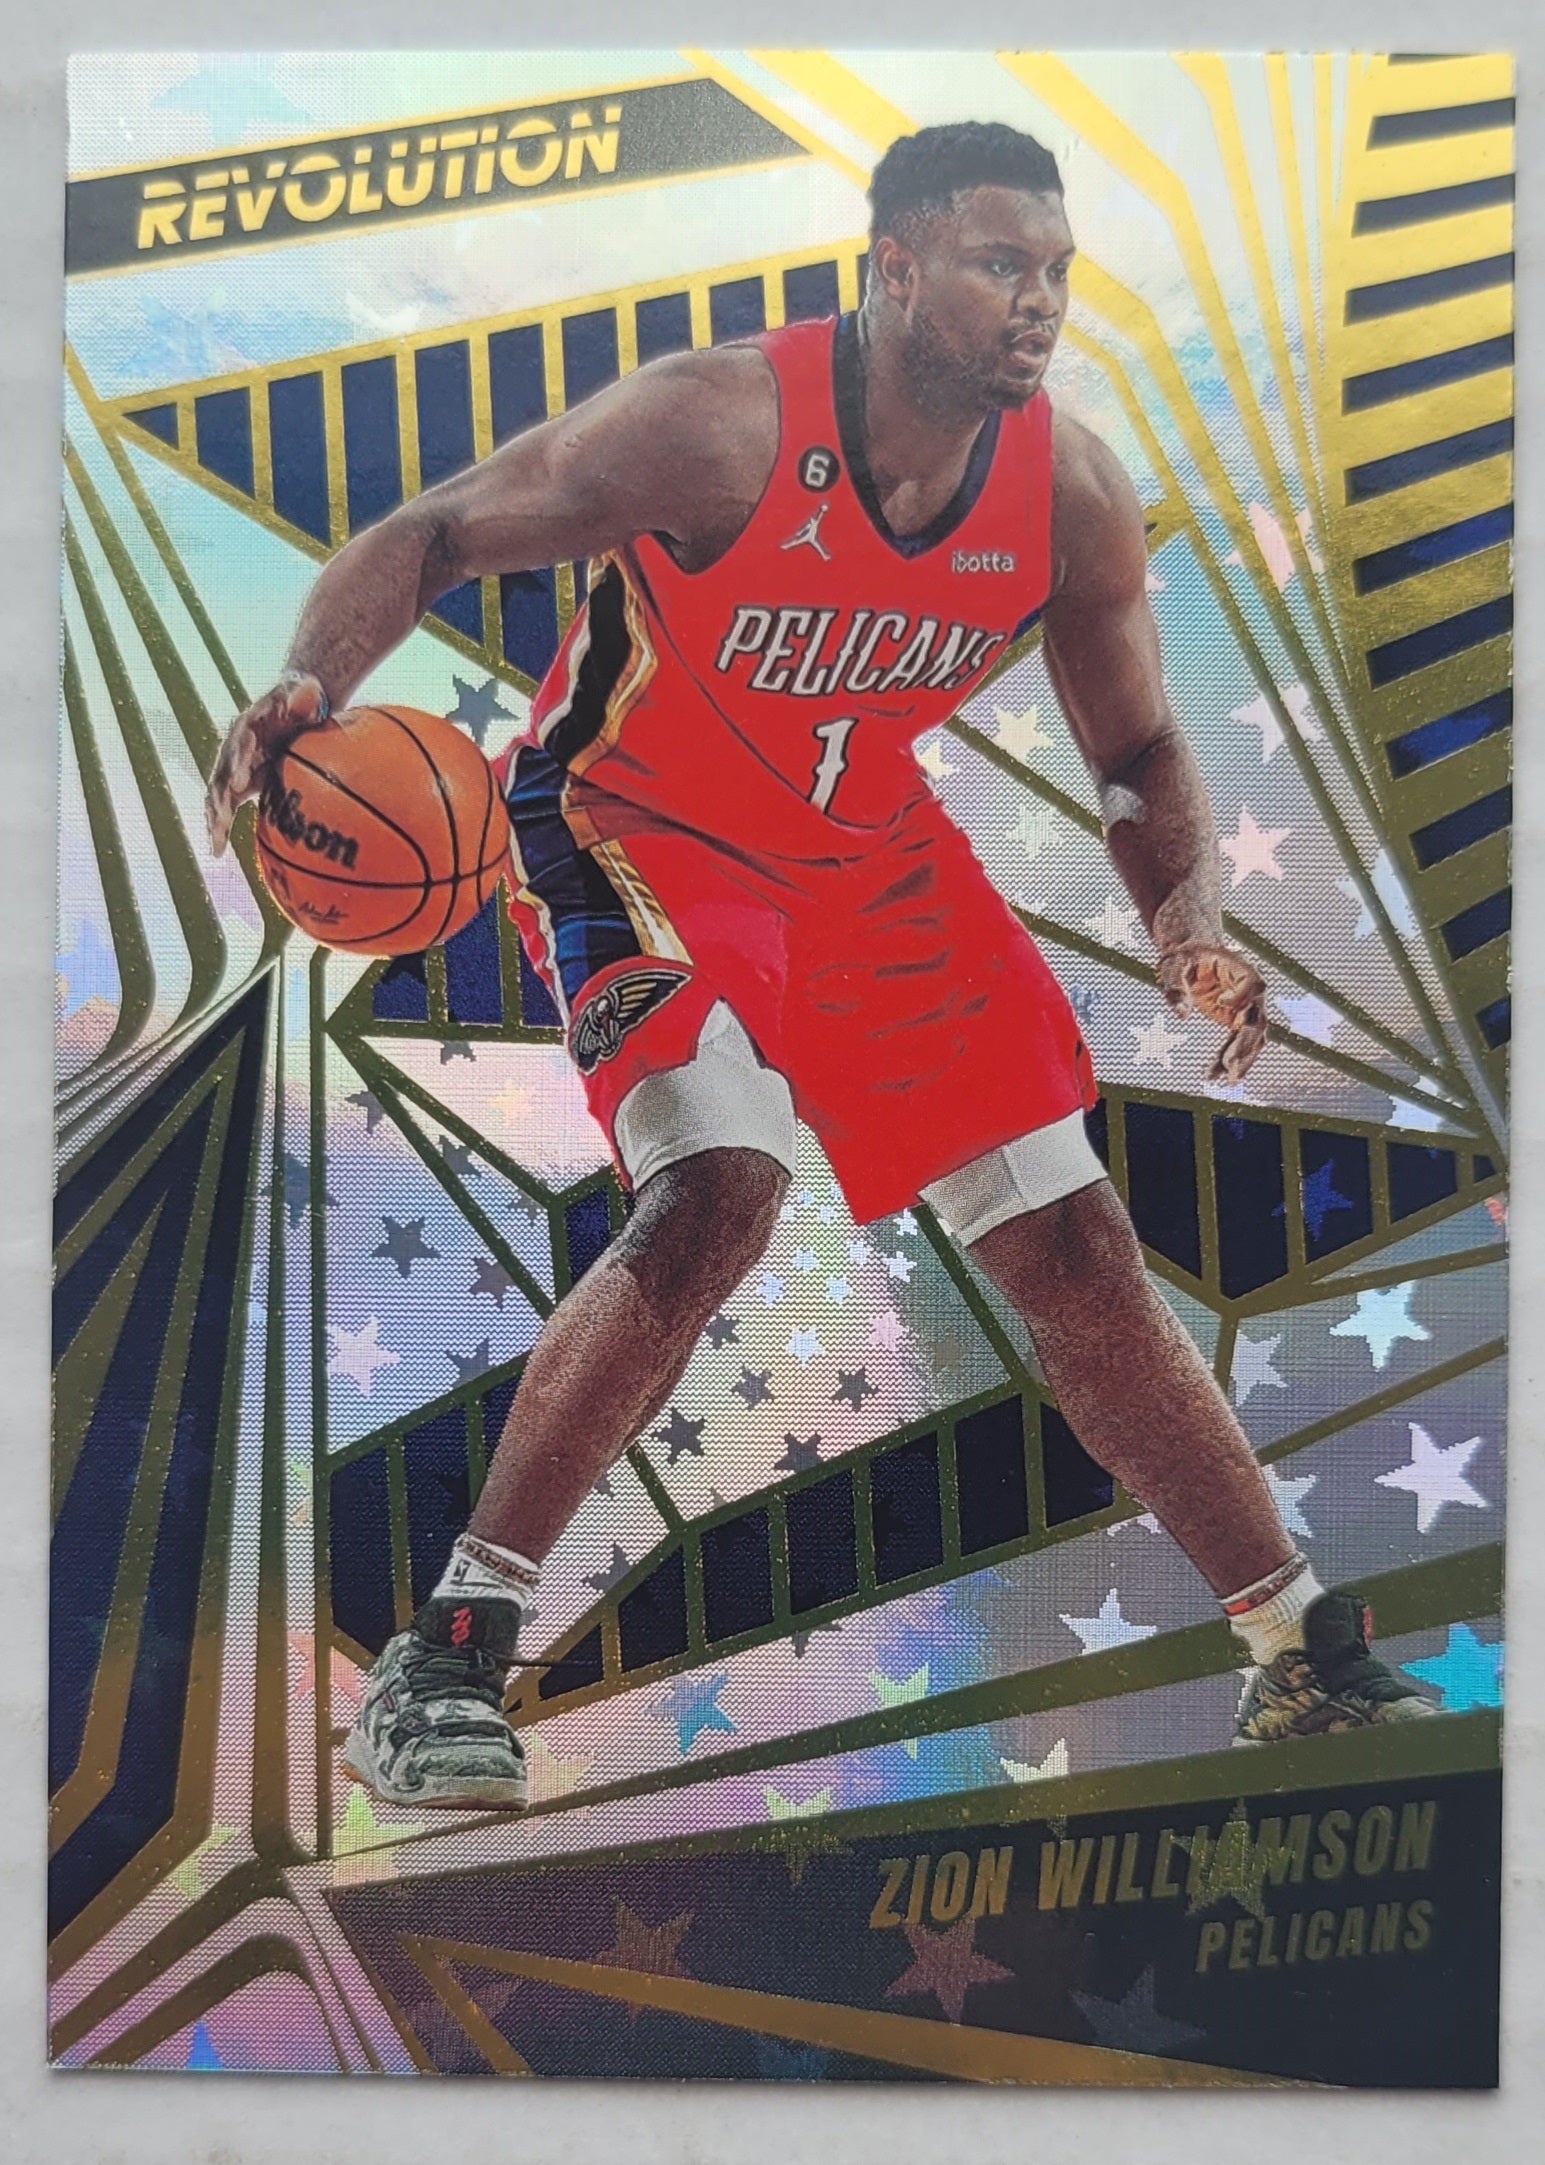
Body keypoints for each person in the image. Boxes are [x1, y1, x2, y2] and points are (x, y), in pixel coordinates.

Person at [207, 122, 1433, 1811]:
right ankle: (445, 1658)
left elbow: (1139, 743)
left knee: (1073, 1244)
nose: (1038, 303)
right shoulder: (716, 423)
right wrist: (308, 683)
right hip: (632, 816)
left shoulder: (1066, 493)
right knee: (718, 1183)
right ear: (895, 268)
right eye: (999, 264)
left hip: (861, 847)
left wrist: (1185, 926)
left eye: (1055, 272)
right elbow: (436, 531)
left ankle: (1301, 1652)